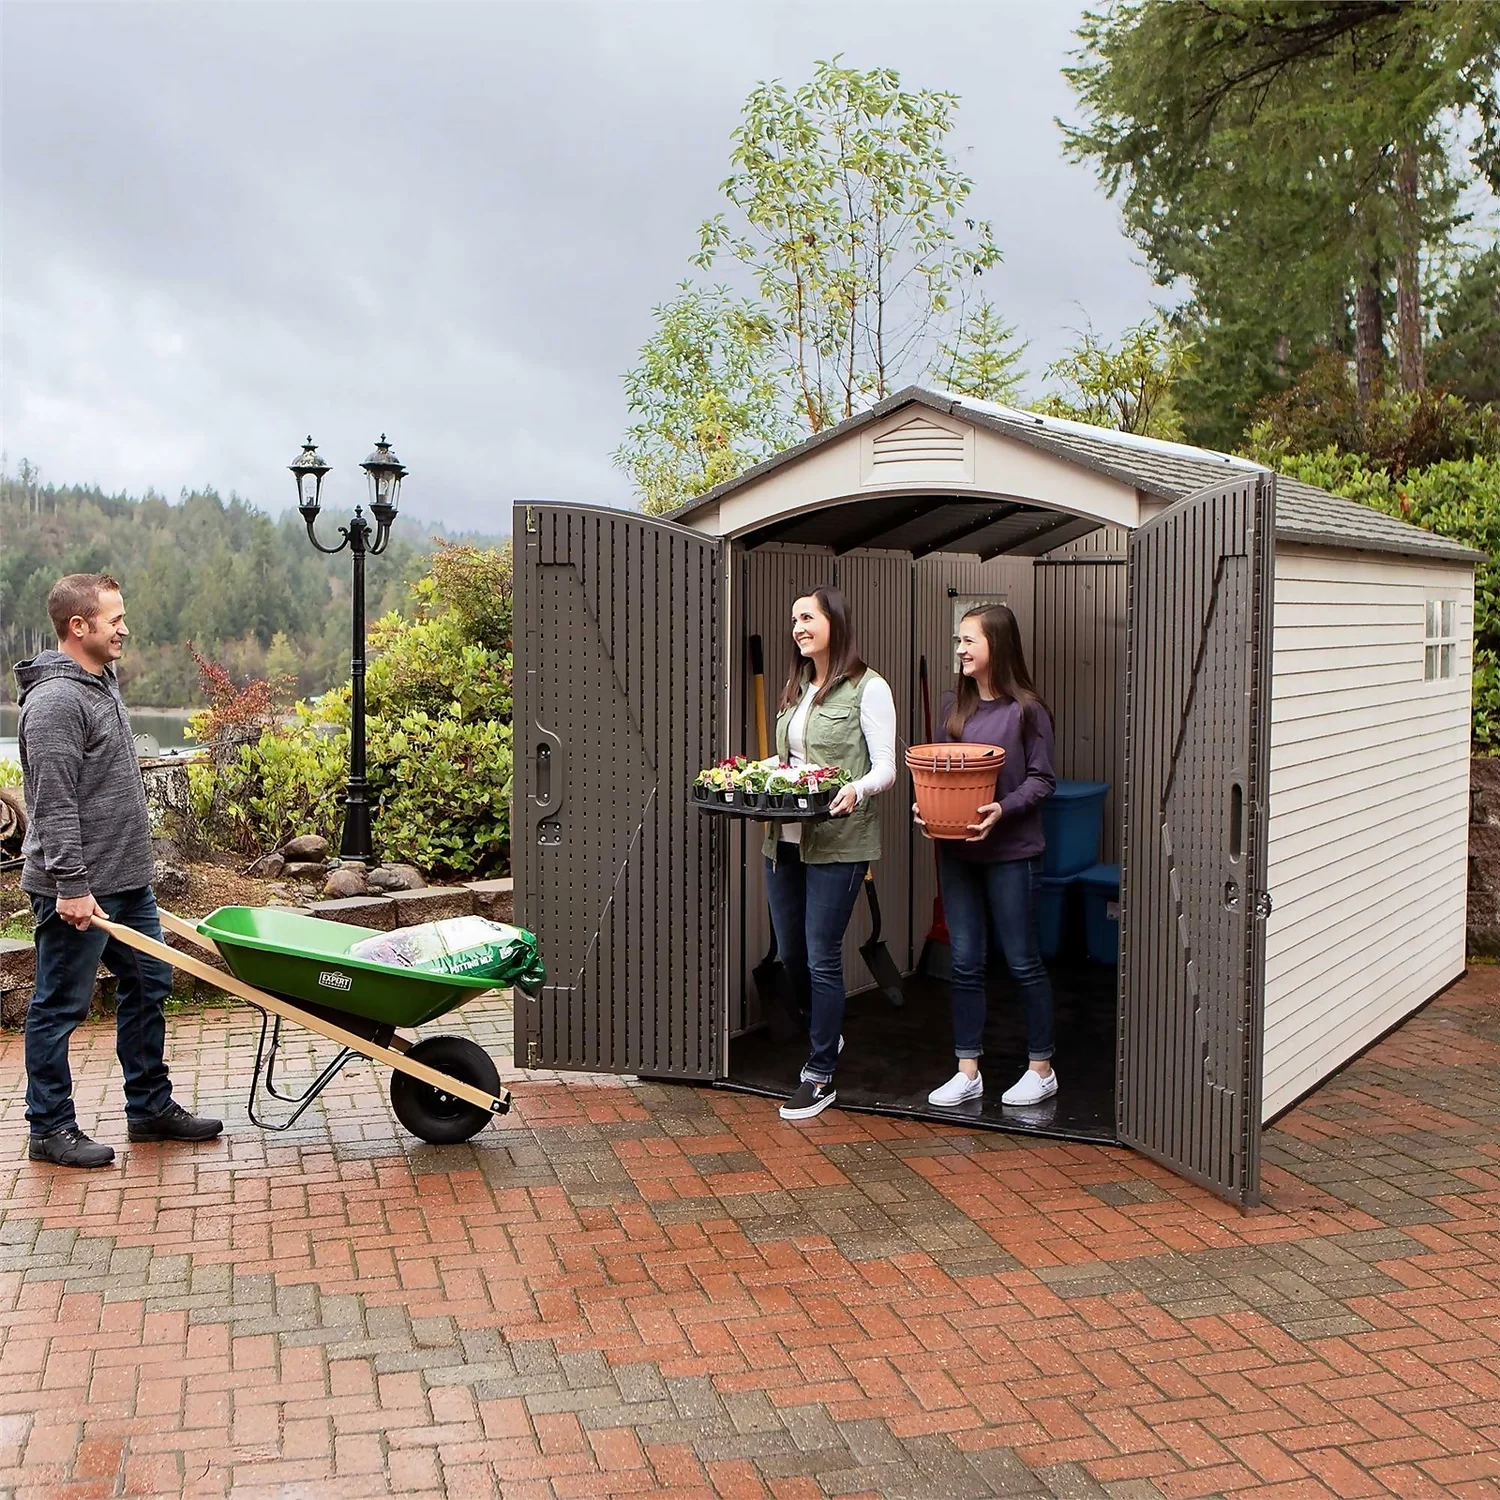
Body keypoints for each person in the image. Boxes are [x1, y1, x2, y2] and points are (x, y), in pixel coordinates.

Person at [16, 573, 222, 1168]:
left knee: (151, 984)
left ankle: (149, 1108)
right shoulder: (56, 702)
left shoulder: (99, 683)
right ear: (78, 626)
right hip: (79, 891)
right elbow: (53, 803)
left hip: (128, 884)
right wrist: (72, 887)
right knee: (60, 1006)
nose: (125, 629)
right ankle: (49, 1127)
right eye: (115, 619)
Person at [915, 604, 1058, 1109]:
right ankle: (967, 1070)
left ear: (998, 643)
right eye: (959, 640)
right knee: (964, 961)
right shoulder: (954, 705)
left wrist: (1002, 809)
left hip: (1013, 854)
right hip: (957, 853)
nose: (960, 649)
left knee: (1022, 961)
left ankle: (1041, 1069)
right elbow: (941, 773)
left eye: (970, 640)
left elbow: (1042, 780)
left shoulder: (1027, 710)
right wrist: (927, 806)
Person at [765, 586, 896, 1122]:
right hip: (784, 841)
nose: (798, 627)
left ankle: (819, 1074)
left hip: (839, 842)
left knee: (821, 956)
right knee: (791, 953)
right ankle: (827, 1030)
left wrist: (857, 789)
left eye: (808, 617)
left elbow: (886, 767)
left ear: (834, 623)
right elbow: (790, 763)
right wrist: (752, 774)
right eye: (794, 619)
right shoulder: (796, 685)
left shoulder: (869, 687)